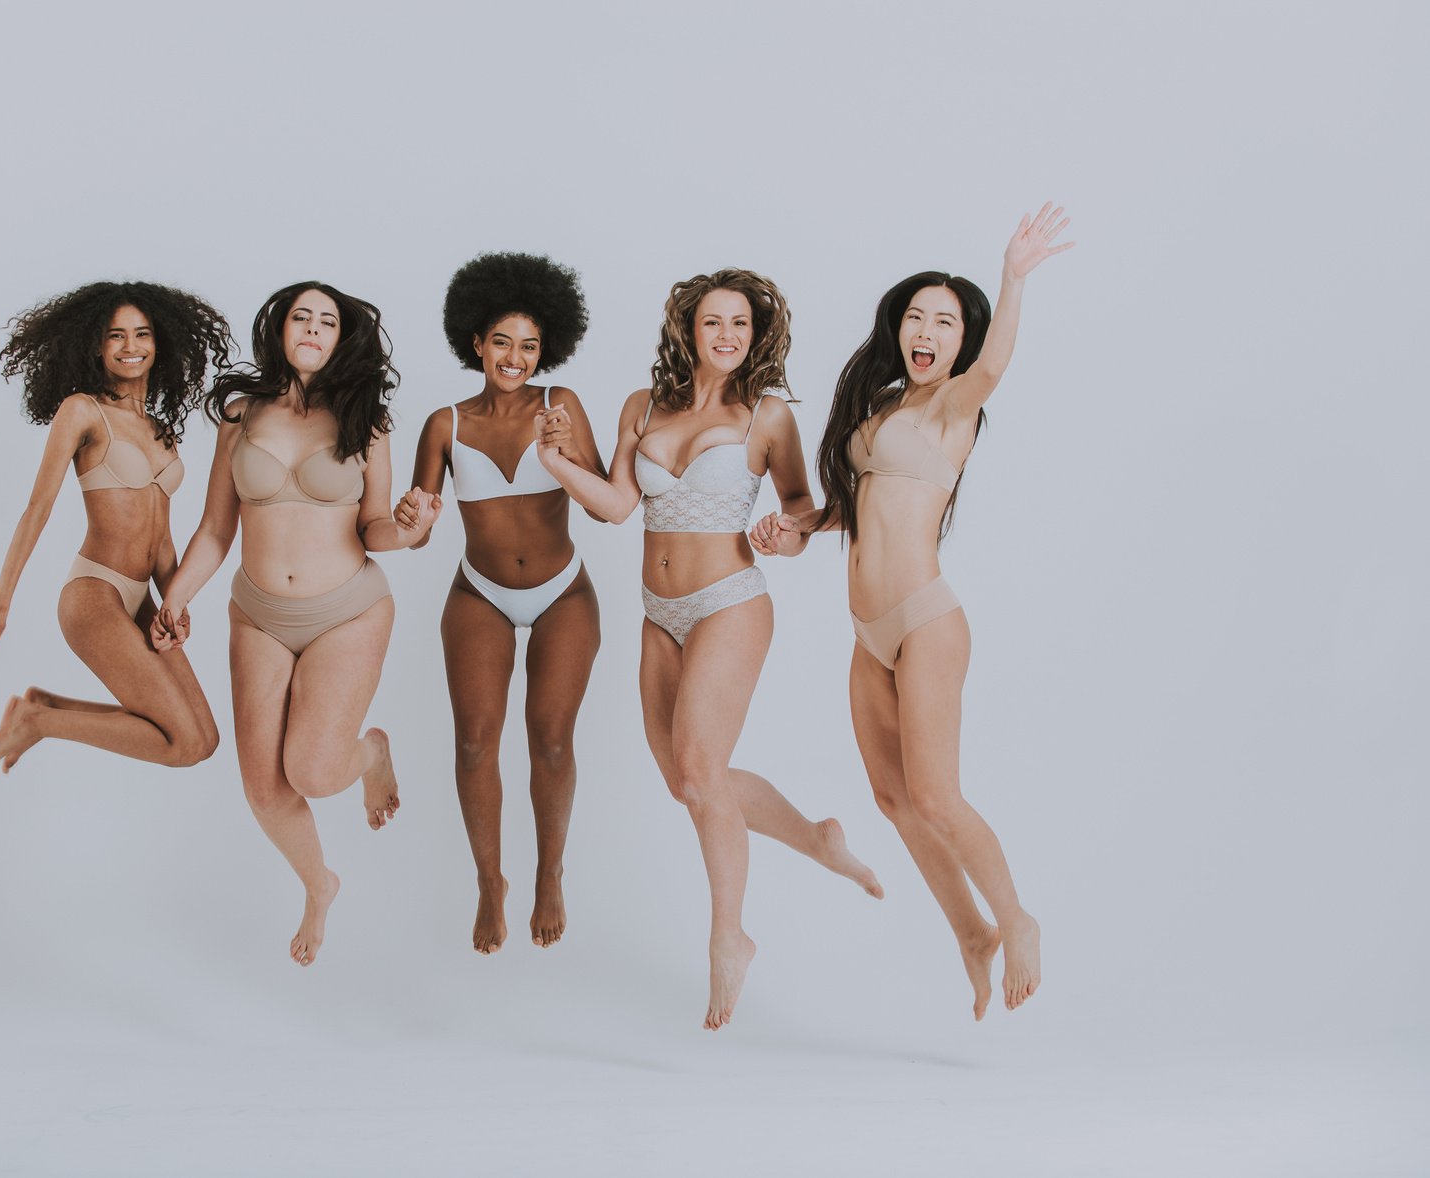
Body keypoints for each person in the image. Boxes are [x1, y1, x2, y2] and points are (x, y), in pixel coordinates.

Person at [534, 268, 882, 1030]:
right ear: (687, 328)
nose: (726, 336)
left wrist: (780, 536)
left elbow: (803, 511)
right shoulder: (642, 405)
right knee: (689, 782)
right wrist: (559, 466)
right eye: (713, 322)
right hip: (658, 612)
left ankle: (729, 935)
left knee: (697, 770)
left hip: (729, 602)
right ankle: (815, 836)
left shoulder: (766, 417)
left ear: (756, 338)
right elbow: (620, 506)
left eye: (740, 326)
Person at [753, 204, 1073, 1018]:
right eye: (916, 317)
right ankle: (970, 930)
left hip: (925, 622)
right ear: (898, 328)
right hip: (869, 635)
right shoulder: (880, 410)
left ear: (963, 340)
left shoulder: (951, 407)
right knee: (893, 800)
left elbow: (996, 367)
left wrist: (1011, 277)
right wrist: (794, 531)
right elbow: (846, 510)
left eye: (946, 322)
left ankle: (1017, 918)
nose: (925, 330)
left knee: (935, 795)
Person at [152, 282, 438, 966]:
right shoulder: (239, 415)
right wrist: (177, 598)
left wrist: (413, 529)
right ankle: (319, 885)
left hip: (347, 610)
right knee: (263, 787)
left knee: (311, 772)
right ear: (280, 330)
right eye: (300, 317)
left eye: (327, 321)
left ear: (342, 338)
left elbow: (375, 529)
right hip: (257, 615)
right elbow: (217, 529)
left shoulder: (365, 418)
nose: (312, 328)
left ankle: (368, 752)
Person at [394, 252, 602, 953]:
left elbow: (606, 505)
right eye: (502, 342)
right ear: (476, 343)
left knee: (548, 739)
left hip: (561, 591)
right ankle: (490, 883)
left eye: (530, 345)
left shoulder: (561, 405)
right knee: (476, 741)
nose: (515, 357)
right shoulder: (443, 424)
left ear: (546, 350)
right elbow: (417, 533)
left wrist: (563, 457)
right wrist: (412, 520)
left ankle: (549, 873)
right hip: (477, 591)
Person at [0, 281, 231, 776]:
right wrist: (0, 604)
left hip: (144, 599)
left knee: (204, 741)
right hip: (95, 594)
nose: (131, 346)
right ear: (96, 345)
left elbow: (161, 539)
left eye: (142, 334)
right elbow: (38, 508)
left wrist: (175, 602)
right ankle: (40, 722)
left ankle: (40, 706)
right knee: (181, 743)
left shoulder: (161, 430)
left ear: (160, 343)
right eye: (116, 336)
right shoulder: (82, 410)